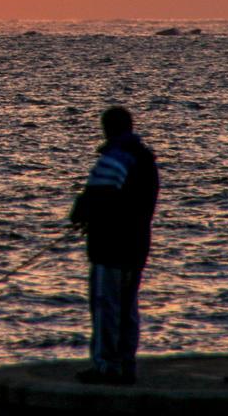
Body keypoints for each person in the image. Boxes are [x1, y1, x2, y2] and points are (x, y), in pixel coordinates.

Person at [68, 106, 159, 385]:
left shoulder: (114, 160)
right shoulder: (145, 160)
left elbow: (94, 198)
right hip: (136, 246)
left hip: (110, 247)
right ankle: (126, 364)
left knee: (105, 305)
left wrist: (80, 216)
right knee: (127, 306)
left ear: (107, 128)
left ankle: (106, 367)